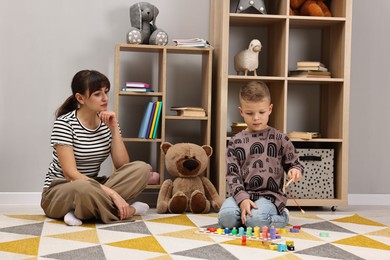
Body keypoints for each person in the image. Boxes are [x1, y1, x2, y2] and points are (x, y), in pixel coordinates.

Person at [41, 70, 150, 226]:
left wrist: (114, 129)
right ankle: (129, 211)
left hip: (93, 187)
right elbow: (70, 174)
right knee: (83, 187)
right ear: (80, 98)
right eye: (98, 94)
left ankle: (80, 211)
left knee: (141, 169)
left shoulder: (108, 122)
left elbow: (122, 165)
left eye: (106, 92)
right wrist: (113, 194)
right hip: (62, 190)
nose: (105, 98)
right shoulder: (65, 124)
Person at [218, 81, 304, 229]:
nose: (256, 118)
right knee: (226, 219)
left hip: (269, 197)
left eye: (261, 112)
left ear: (270, 109)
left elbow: (294, 163)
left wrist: (295, 170)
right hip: (242, 193)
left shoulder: (280, 138)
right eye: (250, 113)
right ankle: (245, 217)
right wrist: (242, 199)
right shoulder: (235, 141)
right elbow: (232, 175)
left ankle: (282, 216)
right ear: (241, 112)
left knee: (257, 221)